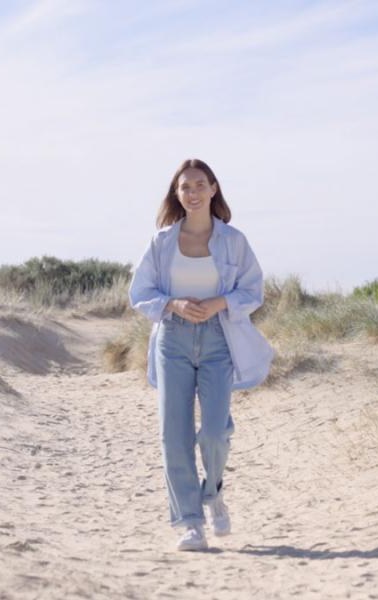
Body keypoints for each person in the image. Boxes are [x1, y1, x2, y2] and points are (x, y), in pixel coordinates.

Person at [128, 158, 275, 551]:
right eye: (184, 187)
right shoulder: (161, 242)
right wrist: (172, 304)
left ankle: (214, 495)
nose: (192, 193)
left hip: (218, 340)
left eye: (198, 185)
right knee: (173, 437)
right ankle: (190, 524)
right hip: (172, 340)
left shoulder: (234, 241)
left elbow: (253, 290)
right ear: (177, 195)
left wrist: (219, 303)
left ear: (213, 189)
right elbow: (139, 294)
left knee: (213, 432)